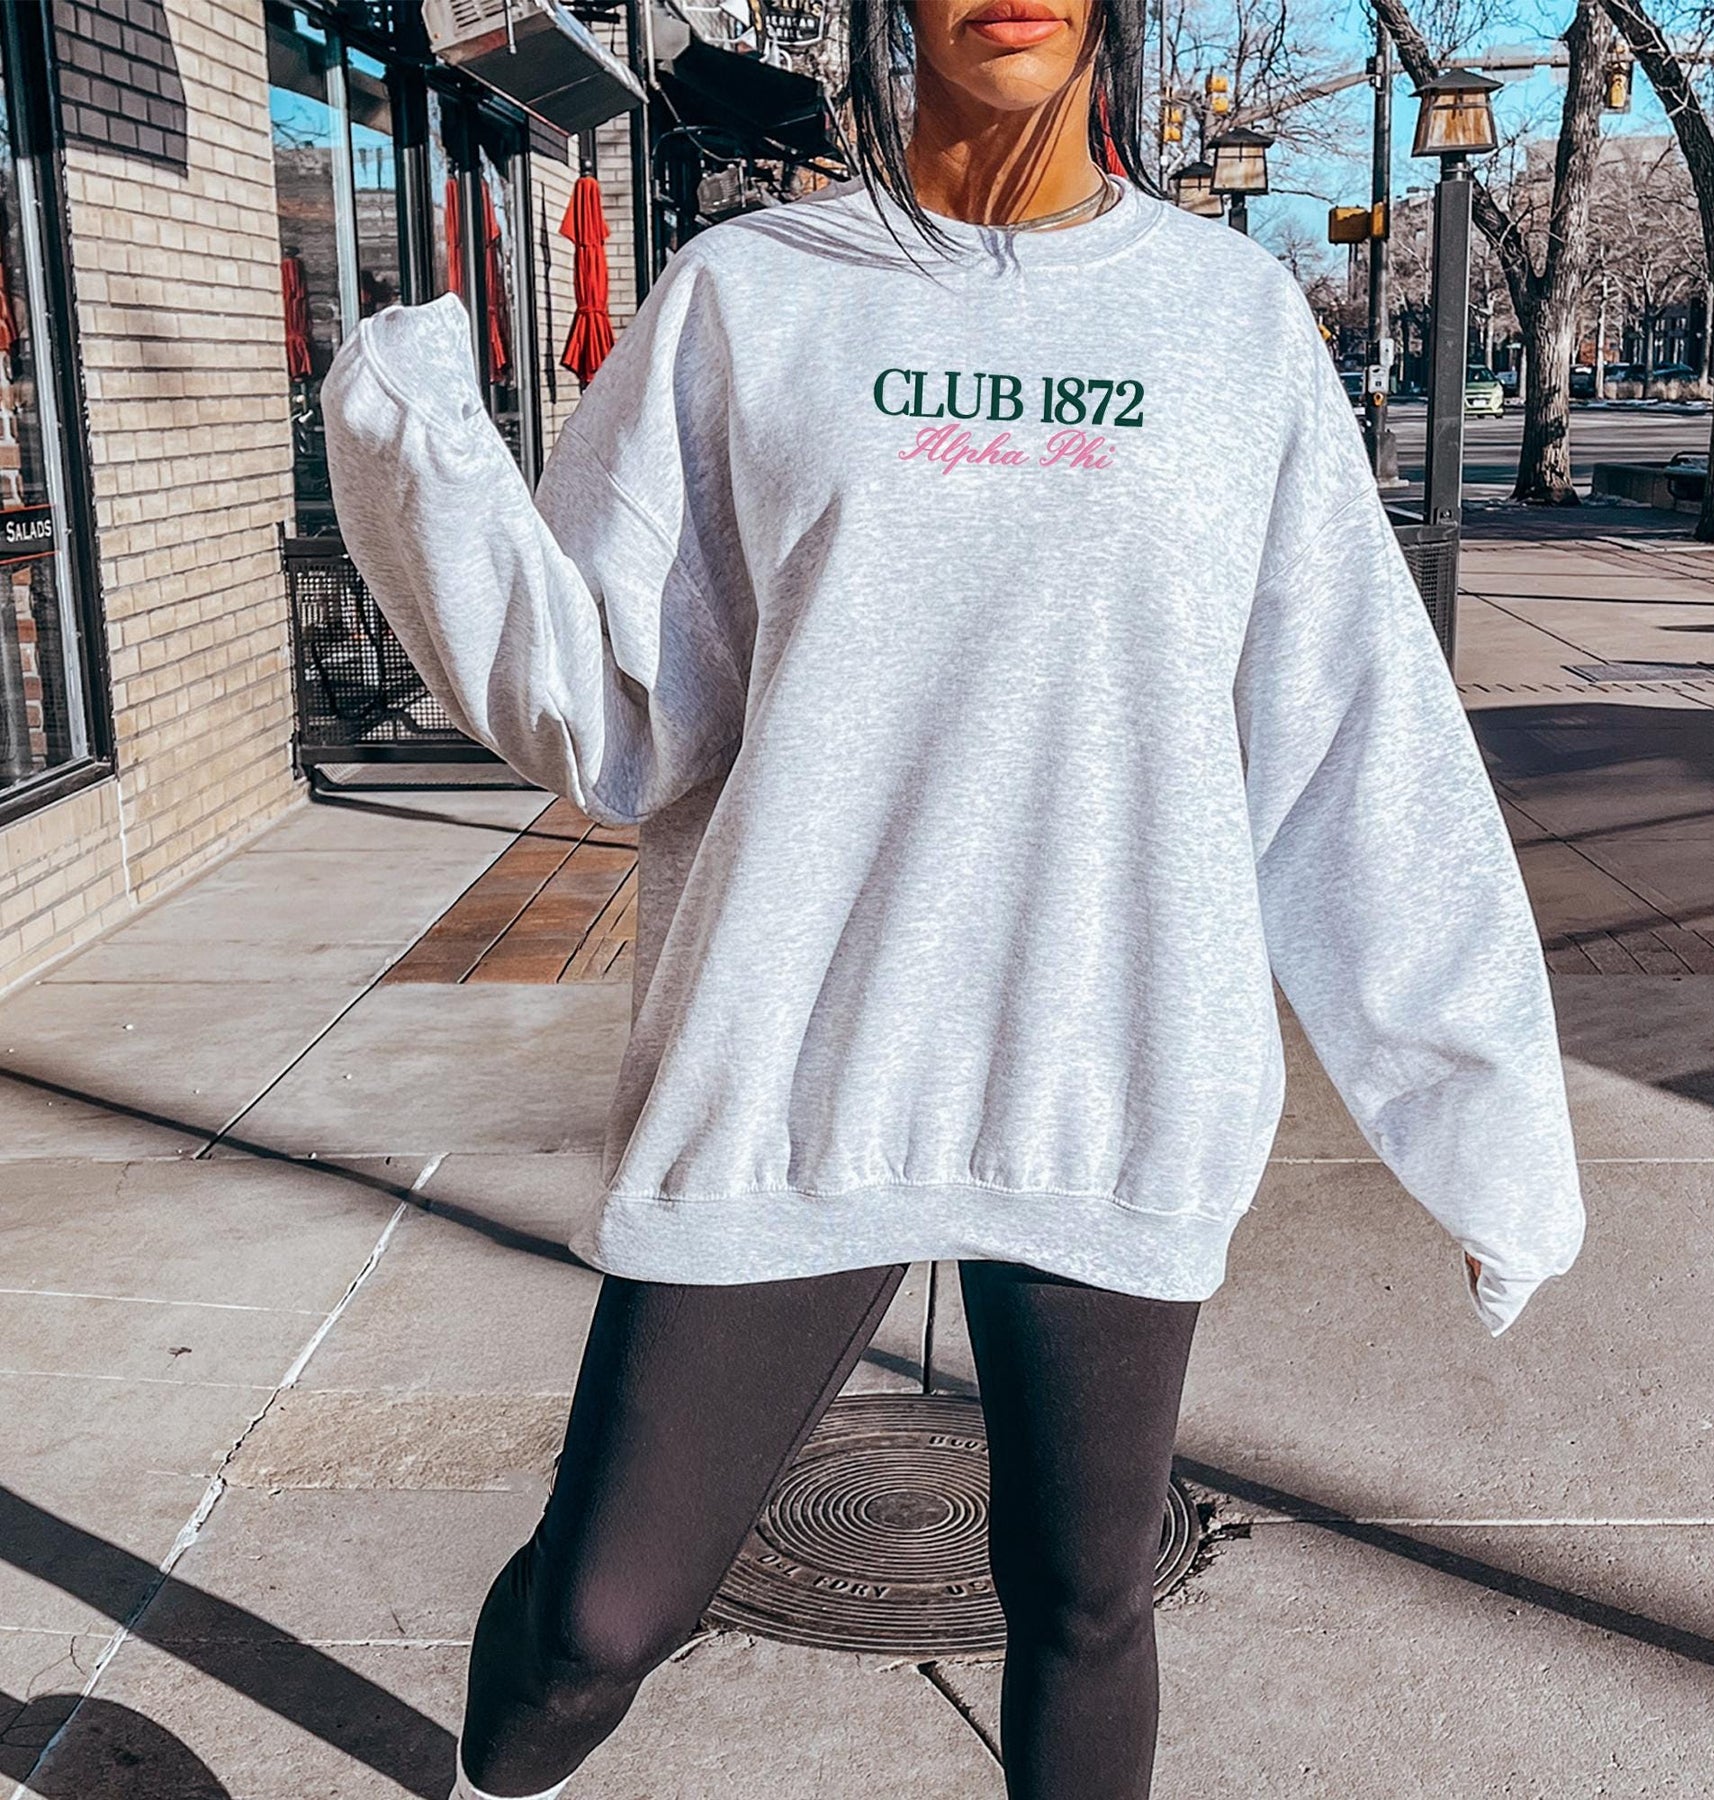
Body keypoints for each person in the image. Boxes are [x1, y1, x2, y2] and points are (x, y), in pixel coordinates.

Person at [319, 0, 1587, 1790]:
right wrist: (426, 468)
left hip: (1113, 1064)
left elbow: (1354, 740)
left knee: (1086, 1599)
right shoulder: (748, 297)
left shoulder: (1231, 321)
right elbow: (618, 717)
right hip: (798, 1057)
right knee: (598, 1622)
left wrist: (1482, 1121)